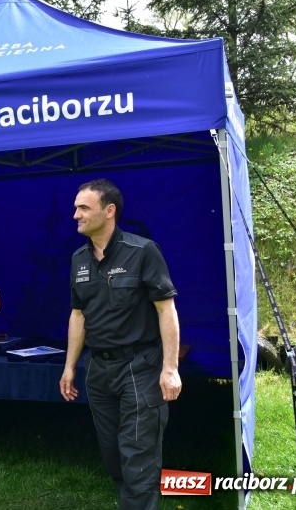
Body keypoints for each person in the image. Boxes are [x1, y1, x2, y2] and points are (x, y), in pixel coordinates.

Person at [59, 179, 182, 510]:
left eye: (83, 208)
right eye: (75, 208)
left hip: (139, 367)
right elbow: (78, 315)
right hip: (98, 370)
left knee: (138, 454)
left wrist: (170, 368)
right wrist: (70, 366)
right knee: (113, 453)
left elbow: (166, 309)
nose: (75, 215)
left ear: (109, 211)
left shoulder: (142, 251)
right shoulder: (78, 259)